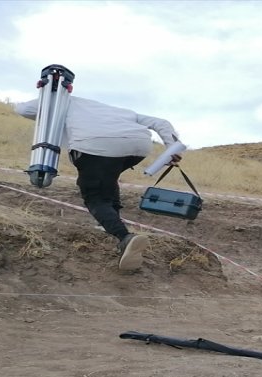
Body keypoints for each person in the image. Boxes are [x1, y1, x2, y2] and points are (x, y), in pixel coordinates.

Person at [15, 87, 182, 272]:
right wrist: (171, 150)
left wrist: (47, 97)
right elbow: (162, 123)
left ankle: (124, 237)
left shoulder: (64, 102)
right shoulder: (119, 111)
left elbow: (23, 110)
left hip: (94, 145)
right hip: (138, 145)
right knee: (108, 179)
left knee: (94, 196)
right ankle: (111, 222)